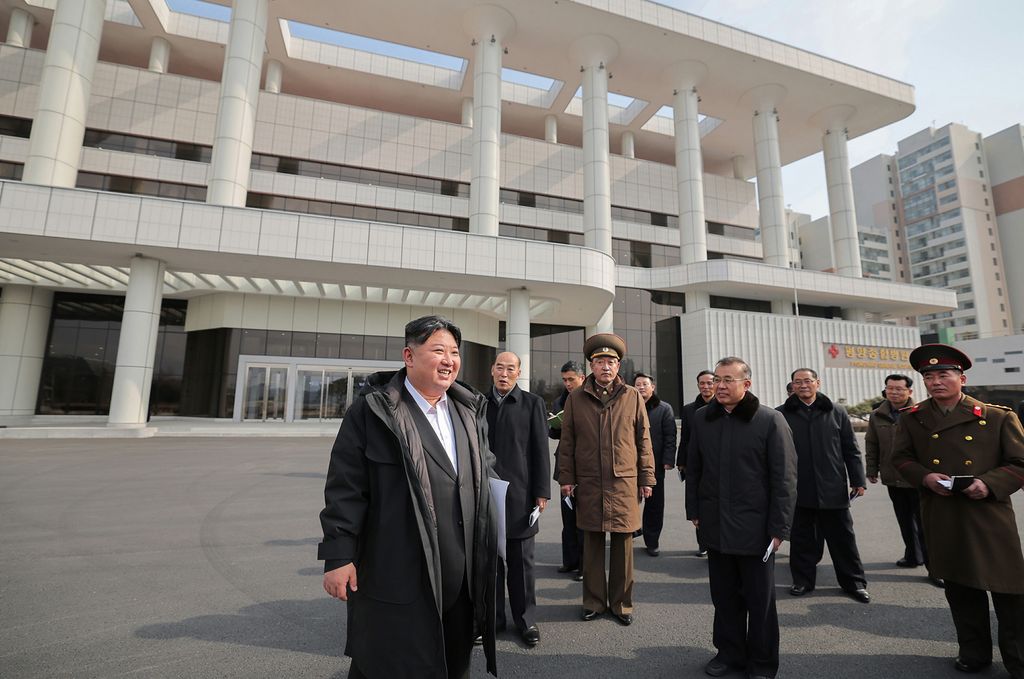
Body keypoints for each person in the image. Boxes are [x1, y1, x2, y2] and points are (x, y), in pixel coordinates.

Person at [318, 315, 499, 679]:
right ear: (409, 356)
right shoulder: (373, 411)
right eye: (438, 350)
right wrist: (339, 555)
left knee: (453, 663)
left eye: (454, 352)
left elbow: (485, 469)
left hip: (461, 579)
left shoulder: (468, 409)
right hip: (398, 571)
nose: (449, 360)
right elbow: (346, 487)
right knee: (387, 662)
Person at [892, 343, 1024, 677]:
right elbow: (901, 458)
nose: (936, 381)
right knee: (960, 588)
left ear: (962, 379)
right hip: (943, 511)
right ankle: (974, 653)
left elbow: (1019, 463)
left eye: (943, 374)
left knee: (1009, 589)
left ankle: (1018, 659)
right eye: (929, 376)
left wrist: (989, 484)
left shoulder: (997, 416)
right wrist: (924, 476)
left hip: (988, 514)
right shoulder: (913, 418)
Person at [686, 356, 797, 679]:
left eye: (728, 380)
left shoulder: (770, 420)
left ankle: (762, 663)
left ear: (746, 384)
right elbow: (694, 468)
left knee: (759, 601)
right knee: (724, 597)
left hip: (756, 528)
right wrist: (694, 511)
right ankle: (729, 654)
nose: (719, 386)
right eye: (717, 379)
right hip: (715, 524)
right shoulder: (702, 418)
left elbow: (785, 478)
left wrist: (779, 527)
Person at [557, 333, 655, 626]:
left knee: (624, 545)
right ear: (591, 365)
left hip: (623, 481)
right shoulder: (576, 398)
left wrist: (647, 477)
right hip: (589, 481)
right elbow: (567, 441)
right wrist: (566, 478)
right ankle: (594, 602)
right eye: (600, 361)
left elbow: (643, 439)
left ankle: (622, 604)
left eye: (611, 361)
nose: (605, 367)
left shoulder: (632, 396)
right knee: (592, 543)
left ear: (618, 366)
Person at [779, 368, 870, 603]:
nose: (803, 385)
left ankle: (854, 583)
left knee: (843, 539)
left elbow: (851, 449)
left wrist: (858, 480)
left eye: (807, 381)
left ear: (817, 383)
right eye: (797, 382)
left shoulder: (836, 411)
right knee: (802, 539)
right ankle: (802, 581)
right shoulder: (781, 414)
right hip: (798, 488)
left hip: (833, 486)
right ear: (792, 386)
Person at [485, 351, 550, 647]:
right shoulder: (478, 404)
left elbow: (540, 451)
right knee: (490, 562)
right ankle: (493, 620)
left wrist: (541, 492)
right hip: (485, 494)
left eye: (510, 368)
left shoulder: (532, 404)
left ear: (518, 372)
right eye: (500, 367)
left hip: (520, 496)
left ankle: (526, 621)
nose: (504, 373)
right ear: (492, 370)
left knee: (522, 563)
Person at [865, 374, 942, 587]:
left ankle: (935, 568)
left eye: (899, 389)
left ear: (909, 391)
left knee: (925, 523)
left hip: (919, 477)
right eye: (890, 388)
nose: (894, 392)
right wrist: (871, 469)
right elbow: (872, 443)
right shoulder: (877, 415)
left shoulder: (922, 412)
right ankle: (912, 556)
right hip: (893, 477)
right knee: (904, 520)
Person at [549, 360, 586, 581]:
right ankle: (569, 561)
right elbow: (554, 434)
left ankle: (584, 565)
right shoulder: (559, 401)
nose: (568, 384)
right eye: (564, 380)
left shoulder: (591, 398)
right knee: (568, 517)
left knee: (584, 520)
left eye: (571, 379)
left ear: (582, 378)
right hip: (565, 466)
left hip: (586, 467)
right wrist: (554, 425)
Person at [633, 371, 677, 557]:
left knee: (654, 504)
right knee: (630, 500)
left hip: (655, 463)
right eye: (637, 384)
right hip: (630, 463)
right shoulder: (628, 405)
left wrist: (668, 459)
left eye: (645, 384)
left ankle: (652, 540)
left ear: (653, 387)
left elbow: (670, 436)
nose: (641, 387)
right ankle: (632, 529)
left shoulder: (664, 409)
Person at [678, 369, 715, 557]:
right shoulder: (689, 409)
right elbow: (685, 438)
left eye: (709, 383)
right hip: (695, 462)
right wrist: (681, 462)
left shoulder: (722, 406)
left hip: (716, 460)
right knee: (698, 503)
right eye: (702, 383)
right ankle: (703, 543)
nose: (706, 387)